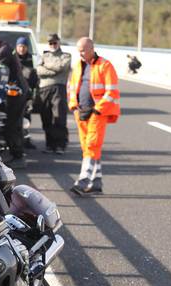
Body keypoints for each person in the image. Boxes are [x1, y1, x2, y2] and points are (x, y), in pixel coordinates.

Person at [68, 37, 120, 195]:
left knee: (92, 145)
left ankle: (83, 181)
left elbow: (112, 91)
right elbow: (71, 87)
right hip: (81, 112)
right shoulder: (78, 65)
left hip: (97, 113)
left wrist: (98, 109)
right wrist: (74, 106)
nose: (81, 54)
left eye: (83, 50)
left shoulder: (105, 65)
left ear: (91, 49)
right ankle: (96, 182)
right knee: (87, 148)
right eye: (79, 51)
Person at [0, 32, 29, 169]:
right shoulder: (2, 48)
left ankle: (18, 156)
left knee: (12, 124)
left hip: (16, 92)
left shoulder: (3, 52)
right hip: (14, 91)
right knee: (12, 123)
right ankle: (13, 151)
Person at [36, 33, 71, 154]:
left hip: (58, 88)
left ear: (59, 42)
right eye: (50, 43)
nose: (53, 45)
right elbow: (39, 70)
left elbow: (60, 67)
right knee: (46, 117)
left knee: (59, 117)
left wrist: (47, 67)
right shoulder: (44, 55)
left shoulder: (66, 56)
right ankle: (50, 145)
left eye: (55, 42)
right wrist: (52, 71)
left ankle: (60, 145)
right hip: (44, 89)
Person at [14, 37, 39, 150]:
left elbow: (36, 79)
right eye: (20, 46)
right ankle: (15, 141)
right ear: (16, 47)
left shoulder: (32, 59)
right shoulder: (13, 59)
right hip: (14, 94)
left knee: (27, 118)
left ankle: (26, 140)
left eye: (24, 46)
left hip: (27, 93)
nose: (22, 49)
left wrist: (33, 97)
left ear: (27, 47)